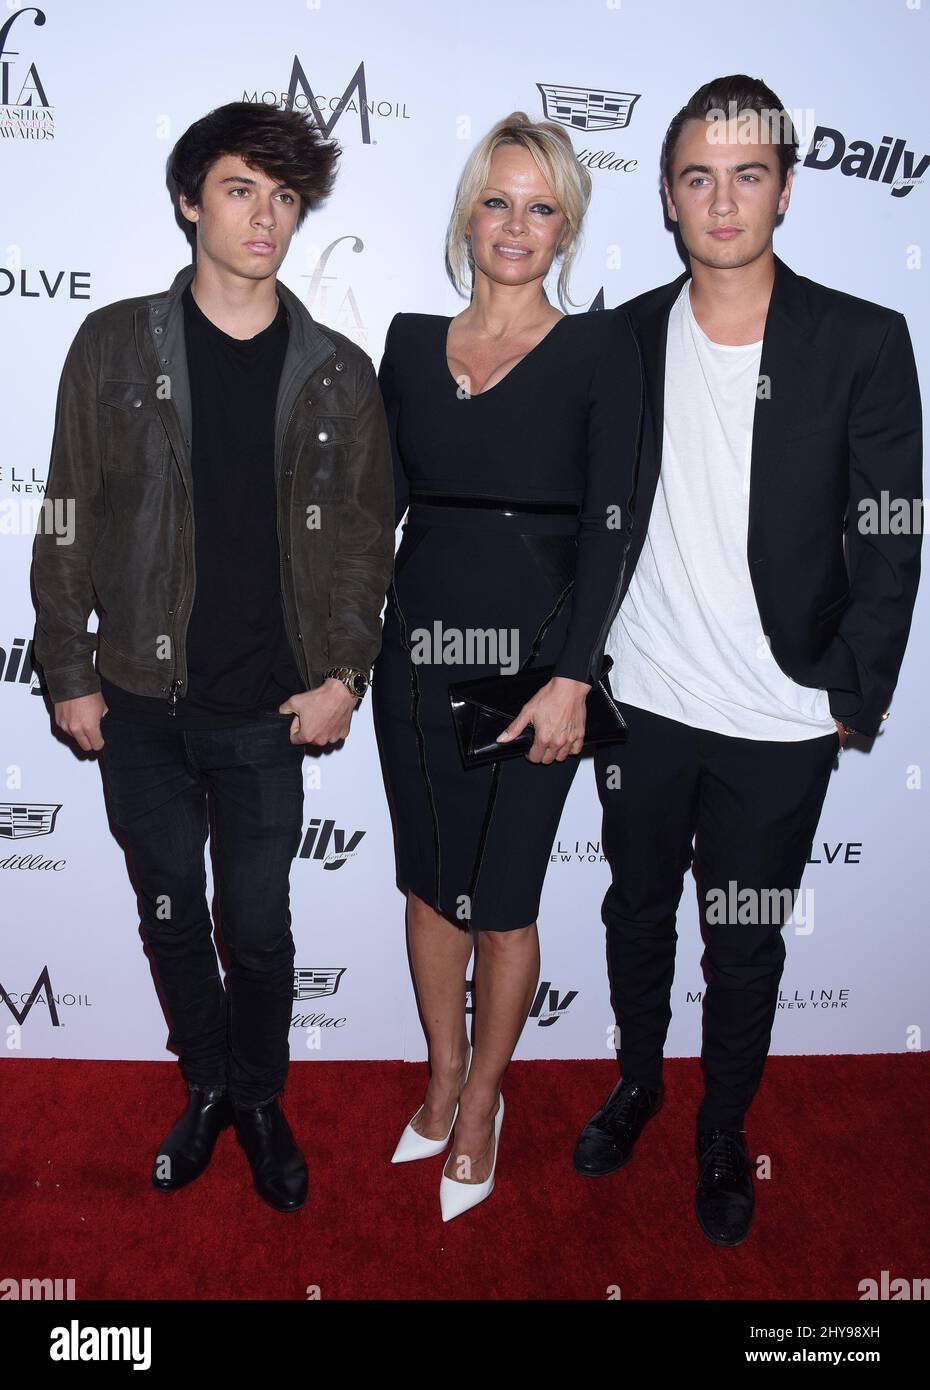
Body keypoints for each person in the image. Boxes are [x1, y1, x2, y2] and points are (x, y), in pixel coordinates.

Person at [573, 75, 923, 1246]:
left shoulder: (862, 339)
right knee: (634, 915)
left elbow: (892, 527)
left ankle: (723, 1127)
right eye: (697, 177)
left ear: (783, 189)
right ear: (670, 199)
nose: (723, 201)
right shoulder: (621, 335)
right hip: (647, 699)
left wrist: (853, 695)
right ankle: (637, 1079)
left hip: (783, 717)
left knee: (748, 937)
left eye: (748, 174)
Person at [30, 101, 395, 1213]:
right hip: (138, 703)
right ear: (191, 200)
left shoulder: (337, 372)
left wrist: (344, 678)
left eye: (286, 198)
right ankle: (204, 1087)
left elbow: (366, 538)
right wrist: (67, 668)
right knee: (170, 916)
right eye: (242, 190)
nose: (266, 218)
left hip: (268, 713)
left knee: (260, 925)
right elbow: (64, 516)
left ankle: (262, 1097)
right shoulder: (113, 345)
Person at [373, 112, 642, 1221]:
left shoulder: (600, 349)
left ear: (567, 224)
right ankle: (440, 1074)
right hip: (414, 656)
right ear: (467, 215)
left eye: (541, 206)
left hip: (537, 666)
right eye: (498, 200)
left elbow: (612, 528)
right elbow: (361, 517)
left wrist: (574, 675)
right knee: (432, 879)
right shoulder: (401, 341)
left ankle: (484, 1098)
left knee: (507, 901)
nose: (517, 225)